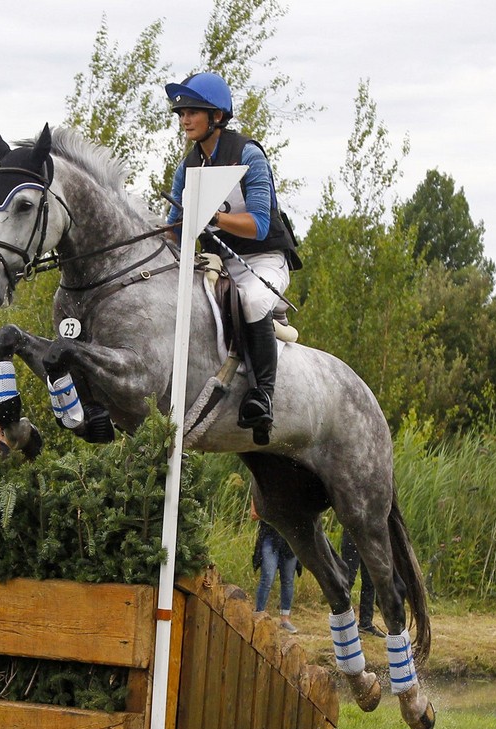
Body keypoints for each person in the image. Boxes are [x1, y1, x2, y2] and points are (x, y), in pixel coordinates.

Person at [164, 71, 299, 441]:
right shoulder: (188, 167)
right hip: (217, 265)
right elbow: (175, 231)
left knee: (253, 302)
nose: (184, 119)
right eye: (181, 113)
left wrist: (211, 217)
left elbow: (256, 224)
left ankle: (263, 397)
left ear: (217, 117)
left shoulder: (249, 155)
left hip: (263, 260)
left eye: (193, 111)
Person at [250, 499, 298, 633]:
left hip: (291, 539)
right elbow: (254, 514)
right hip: (269, 537)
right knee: (267, 578)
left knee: (288, 580)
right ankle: (259, 615)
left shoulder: (295, 487)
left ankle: (285, 619)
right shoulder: (262, 486)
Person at [340, 531, 385, 638]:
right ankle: (344, 624)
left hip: (370, 536)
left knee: (370, 581)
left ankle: (366, 623)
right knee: (347, 581)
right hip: (352, 532)